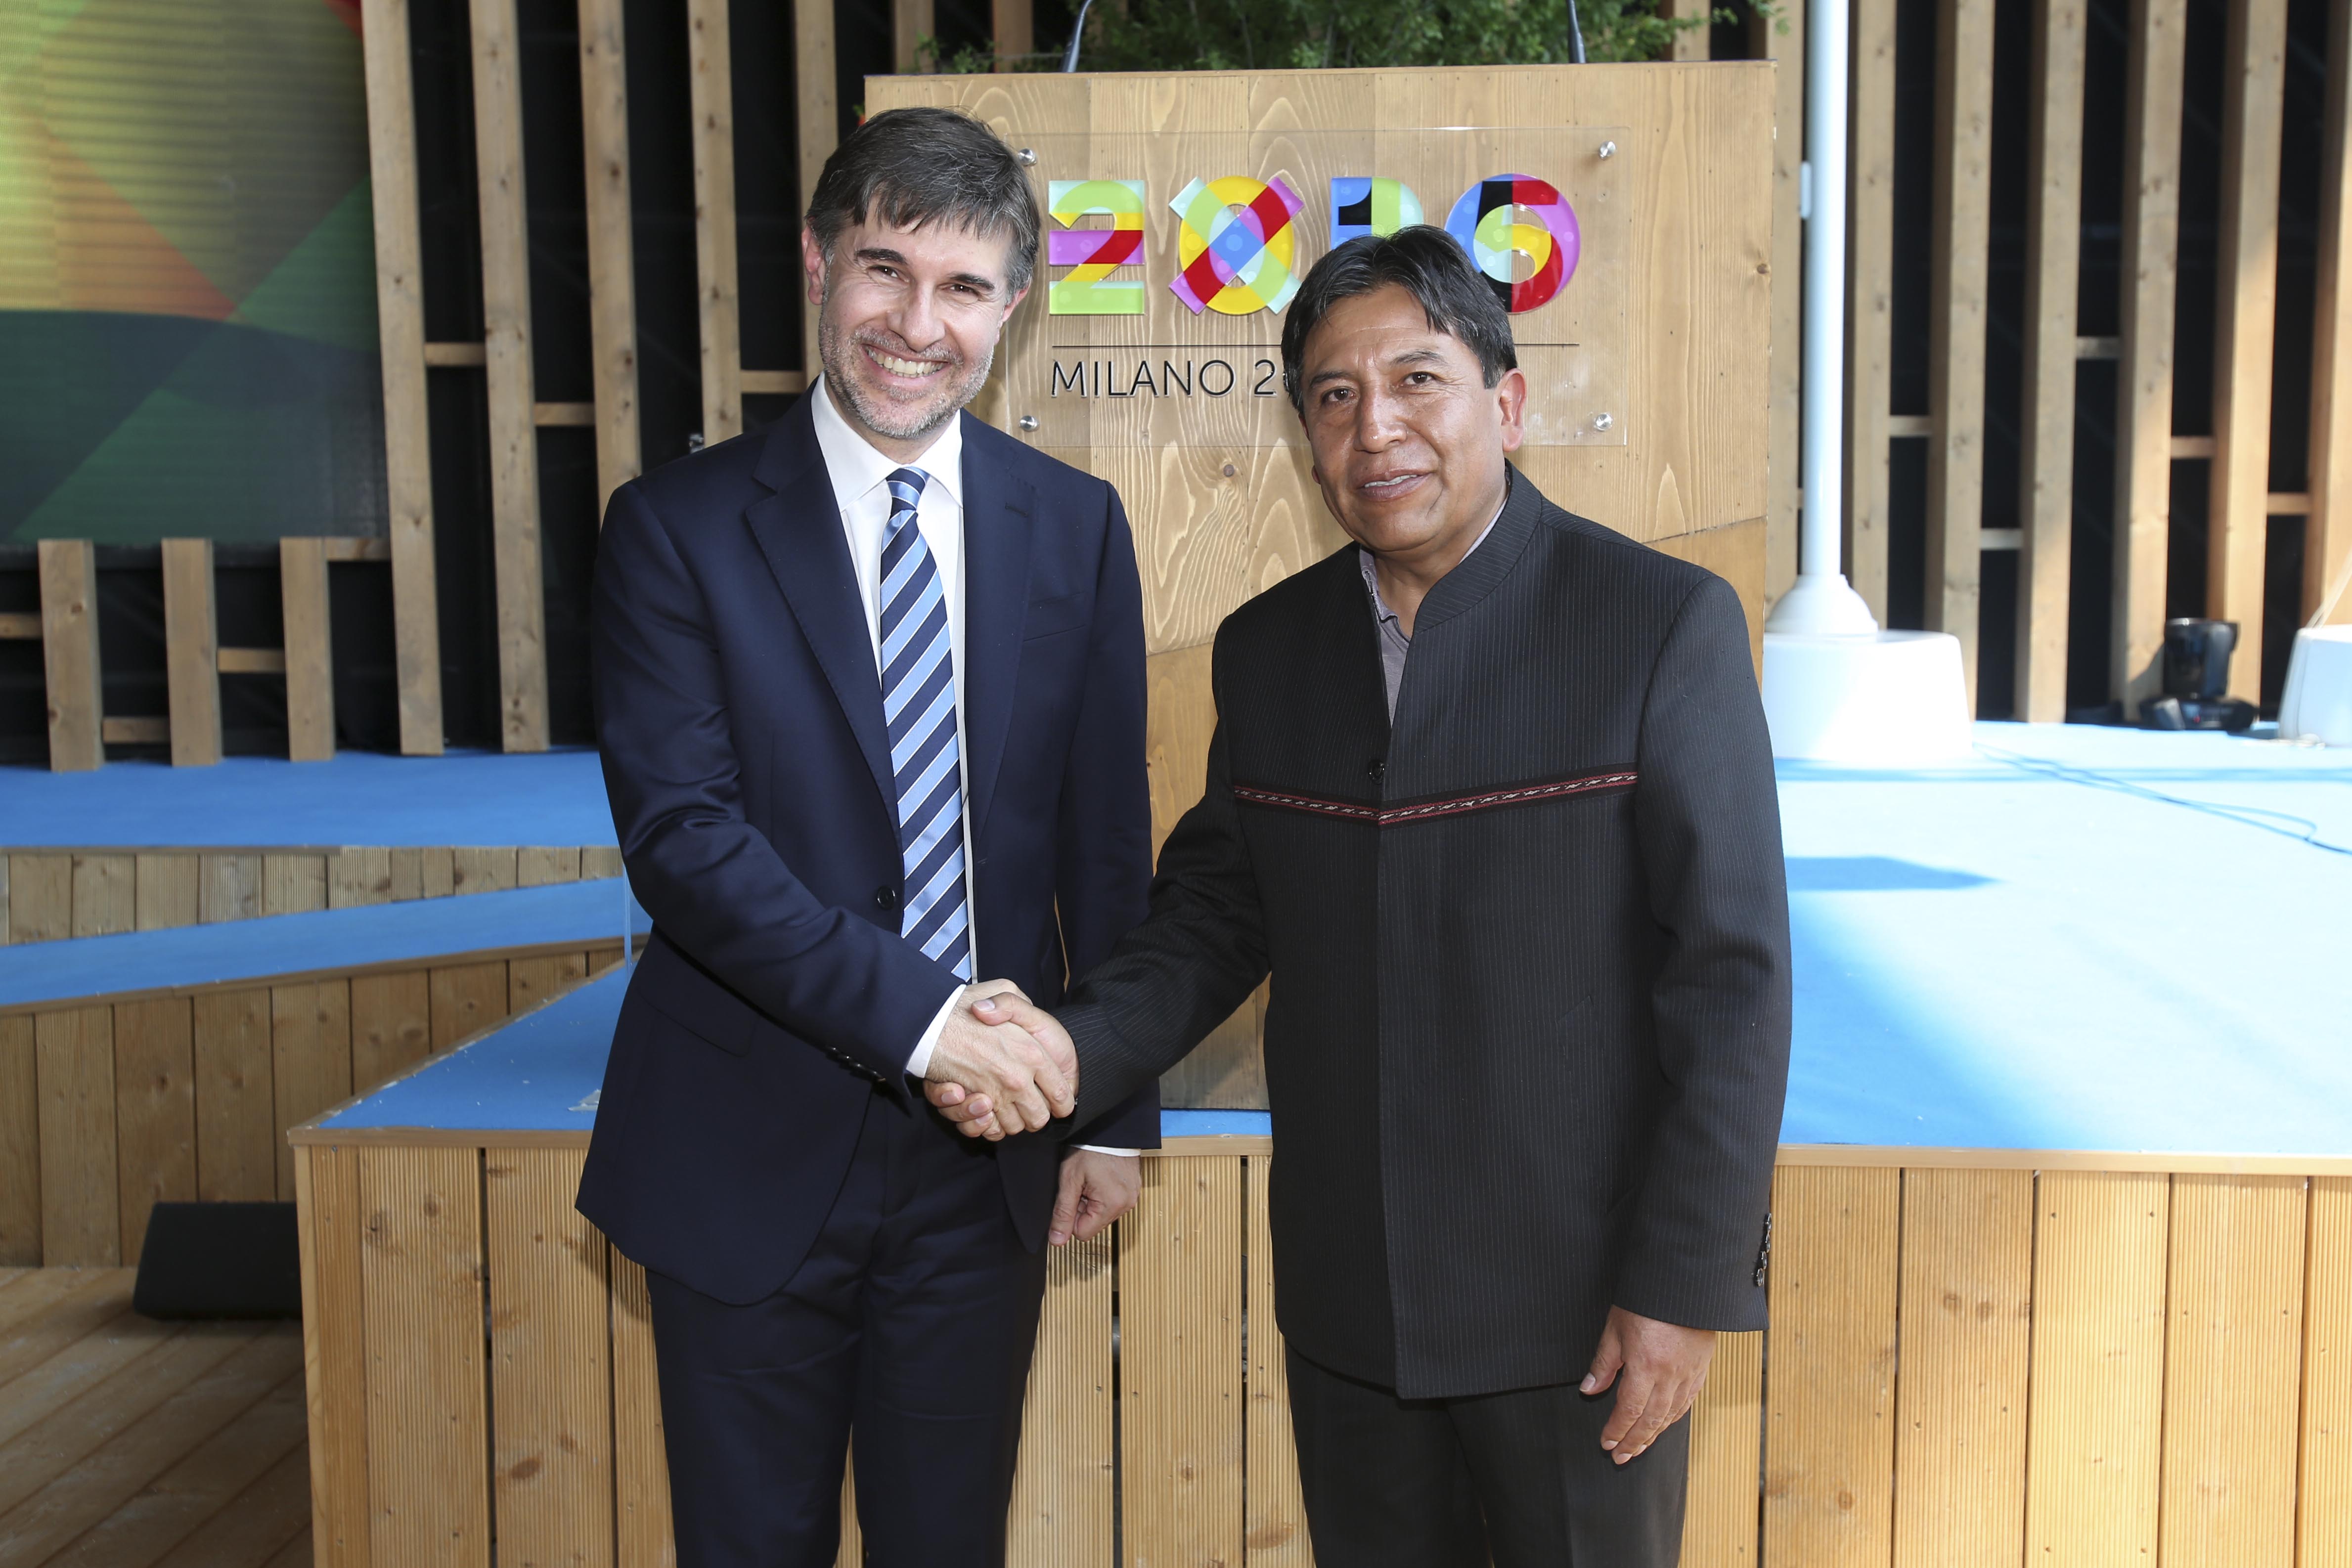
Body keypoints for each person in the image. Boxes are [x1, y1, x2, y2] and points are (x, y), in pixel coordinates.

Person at [931, 226, 1792, 1568]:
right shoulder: (1270, 650)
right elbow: (1214, 919)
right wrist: (1066, 1051)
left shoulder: (1658, 624)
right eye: (1334, 396)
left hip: (1582, 1315)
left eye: (1417, 381)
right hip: (1352, 1312)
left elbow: (1731, 977)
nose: (1375, 427)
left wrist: (1682, 1285)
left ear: (1507, 402)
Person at [575, 106, 1156, 1568]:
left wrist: (1111, 1107)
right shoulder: (674, 529)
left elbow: (1103, 840)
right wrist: (930, 1021)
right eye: (886, 268)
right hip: (746, 1145)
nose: (916, 324)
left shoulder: (1076, 526)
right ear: (821, 262)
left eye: (963, 287)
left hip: (991, 1163)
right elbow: (685, 844)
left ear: (1011, 310)